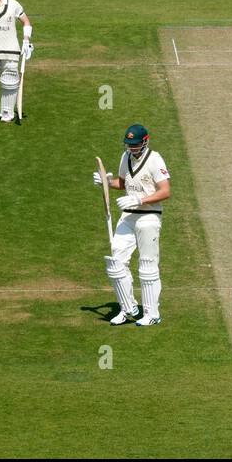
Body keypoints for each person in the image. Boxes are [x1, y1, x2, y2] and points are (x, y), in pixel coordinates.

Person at [93, 124, 171, 326]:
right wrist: (106, 182)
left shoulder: (155, 159)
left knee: (147, 266)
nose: (132, 148)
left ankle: (152, 313)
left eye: (135, 145)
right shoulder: (125, 157)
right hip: (128, 216)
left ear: (145, 141)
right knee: (116, 262)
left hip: (149, 216)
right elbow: (123, 182)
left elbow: (165, 191)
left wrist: (140, 200)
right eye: (129, 145)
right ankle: (128, 309)